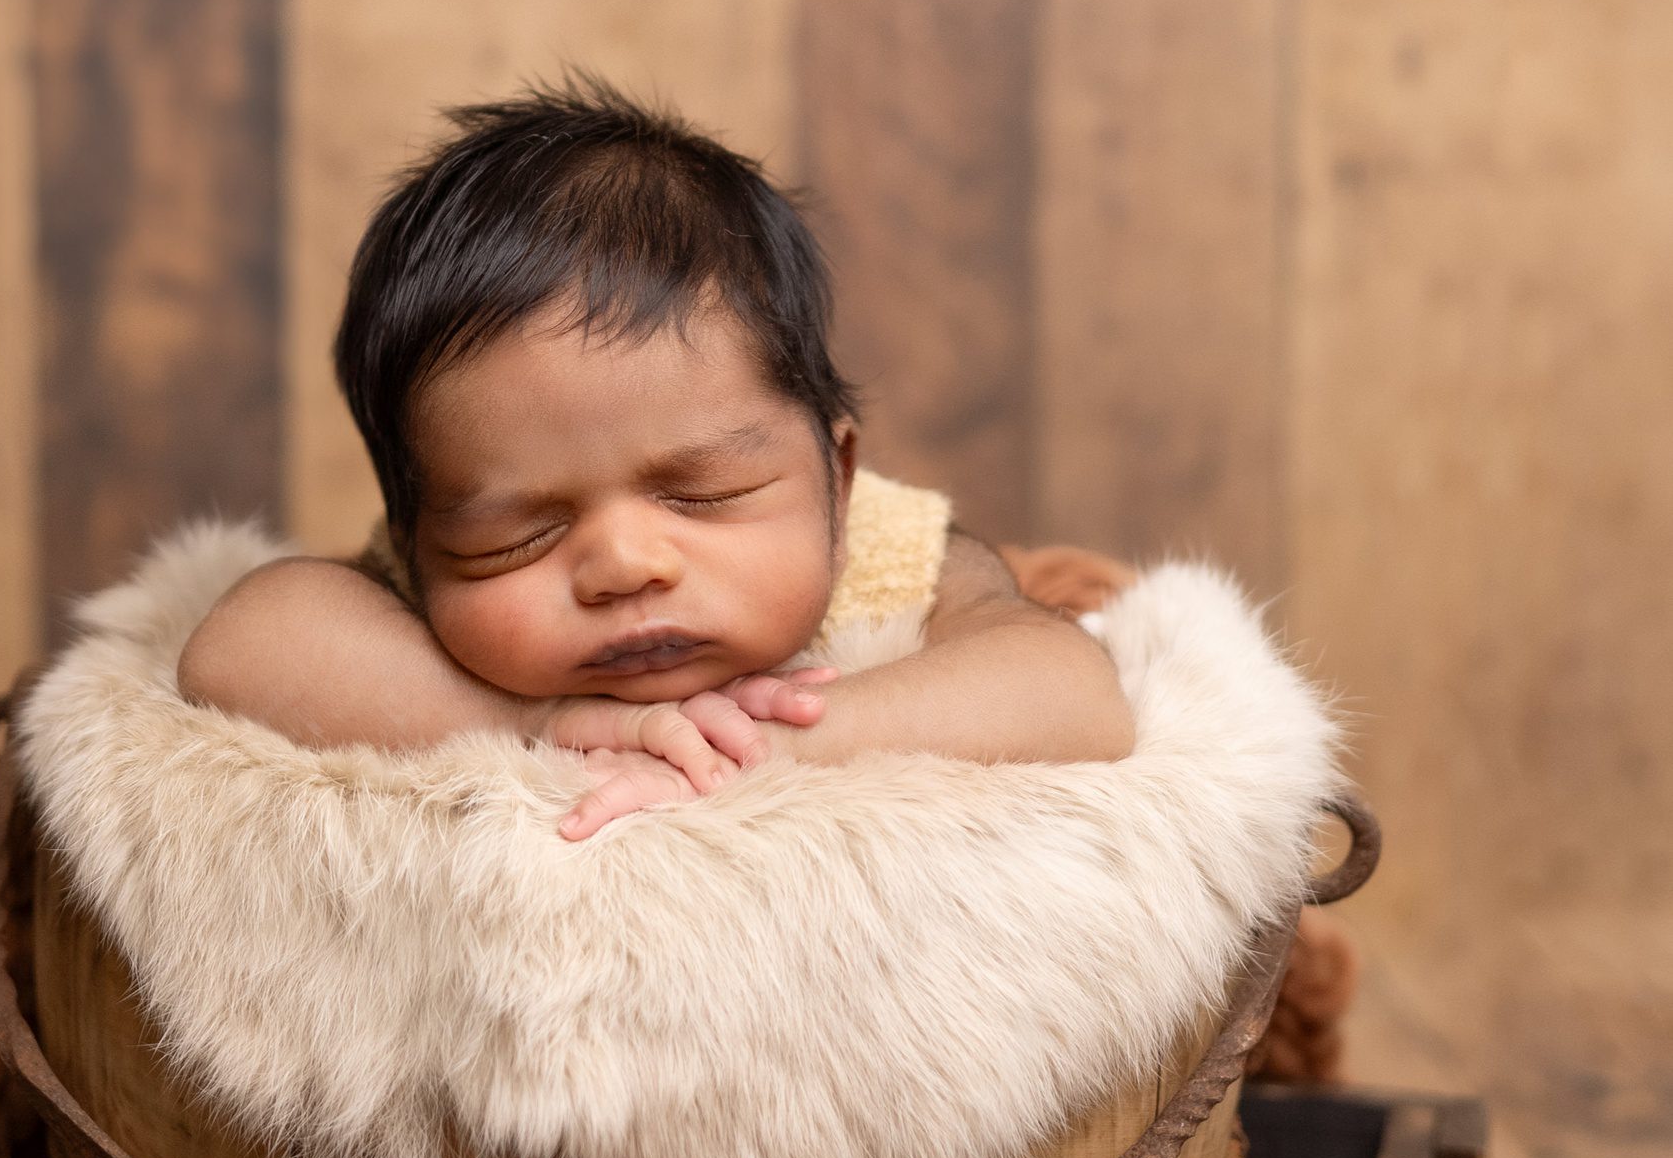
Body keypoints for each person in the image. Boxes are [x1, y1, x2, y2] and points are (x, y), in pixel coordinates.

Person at [179, 79, 1134, 838]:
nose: (626, 565)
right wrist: (538, 727)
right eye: (518, 536)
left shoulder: (892, 551)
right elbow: (236, 648)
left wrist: (757, 750)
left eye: (705, 493)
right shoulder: (411, 608)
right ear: (419, 541)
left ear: (836, 482)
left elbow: (1072, 693)